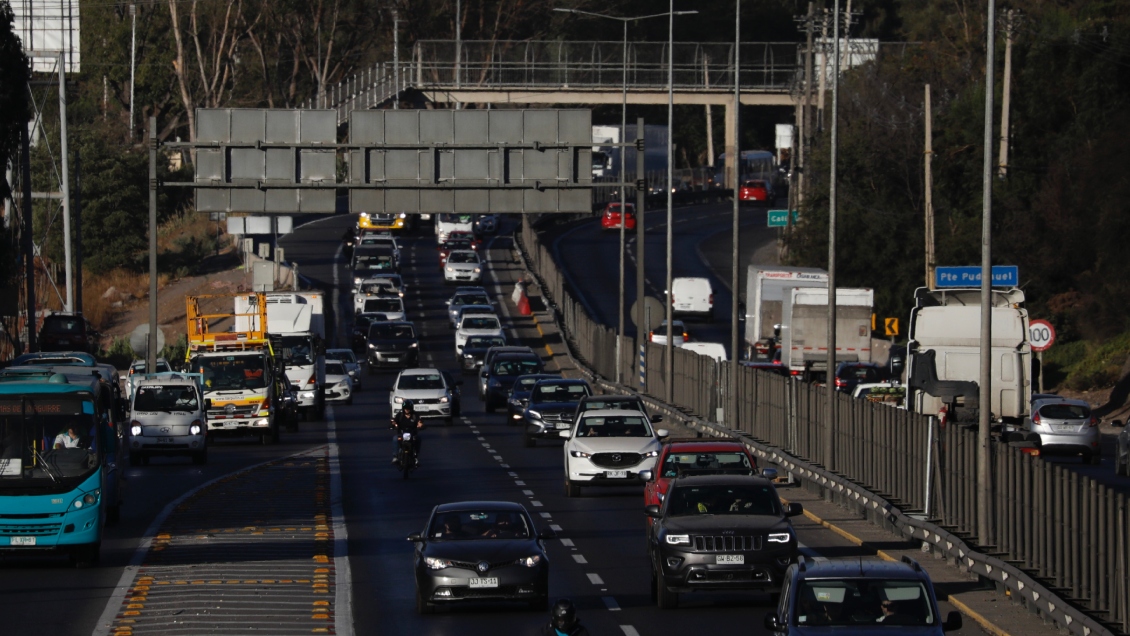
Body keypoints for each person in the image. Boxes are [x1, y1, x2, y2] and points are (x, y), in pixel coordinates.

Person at [391, 400, 423, 465]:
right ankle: (395, 456)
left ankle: (415, 456)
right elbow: (394, 421)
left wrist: (421, 425)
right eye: (406, 408)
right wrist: (393, 424)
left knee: (418, 438)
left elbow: (420, 422)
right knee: (395, 439)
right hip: (401, 433)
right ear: (403, 408)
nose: (407, 410)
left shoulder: (415, 415)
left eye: (408, 408)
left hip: (412, 434)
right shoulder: (399, 415)